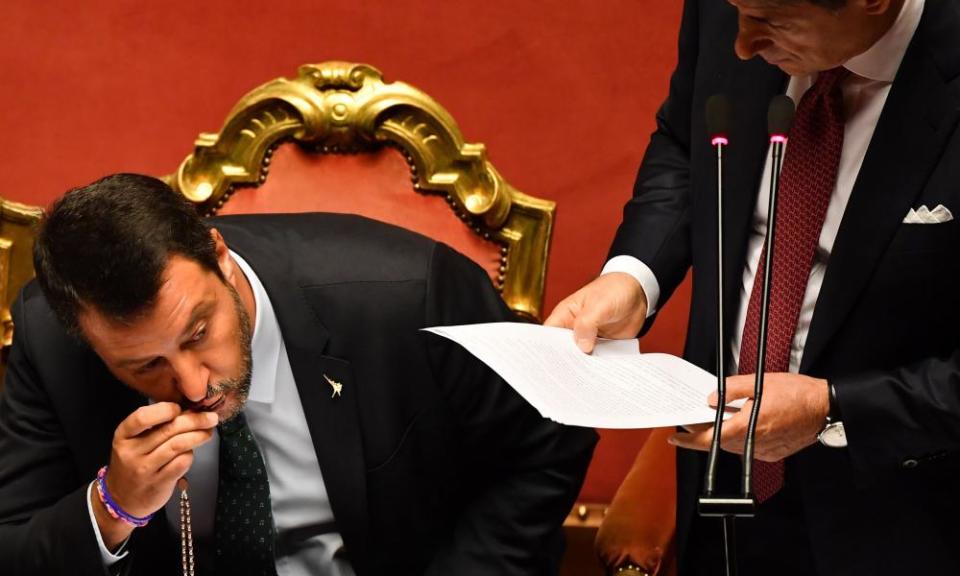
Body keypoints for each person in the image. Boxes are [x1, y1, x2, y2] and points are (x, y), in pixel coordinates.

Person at [0, 173, 597, 576]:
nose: (192, 386)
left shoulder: (408, 295)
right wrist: (112, 507)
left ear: (219, 257)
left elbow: (548, 444)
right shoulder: (52, 340)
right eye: (144, 365)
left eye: (199, 334)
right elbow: (14, 545)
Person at [546, 0, 960, 574]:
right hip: (719, 485)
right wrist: (634, 275)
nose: (741, 44)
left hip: (904, 507)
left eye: (770, 19)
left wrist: (831, 409)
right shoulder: (734, 8)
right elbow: (686, 143)